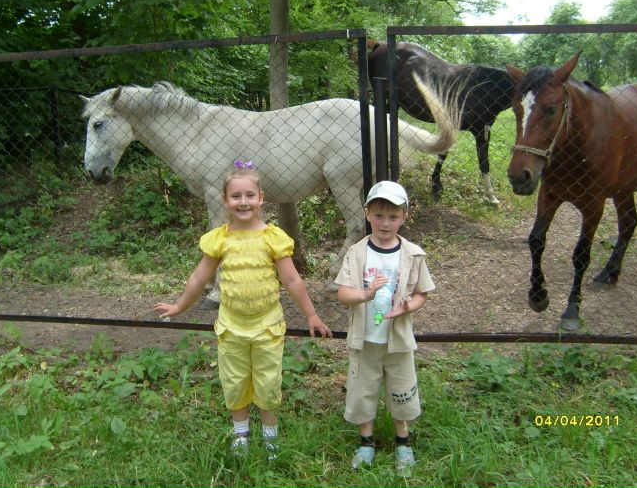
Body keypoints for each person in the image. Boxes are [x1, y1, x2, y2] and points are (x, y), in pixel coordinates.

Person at [154, 161, 332, 460]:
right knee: (235, 380)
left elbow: (291, 279)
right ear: (225, 200)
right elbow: (200, 277)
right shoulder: (220, 239)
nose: (243, 201)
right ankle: (241, 434)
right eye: (236, 196)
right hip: (232, 326)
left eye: (249, 195)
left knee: (267, 381)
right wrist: (179, 306)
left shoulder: (272, 237)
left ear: (261, 198)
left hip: (267, 325)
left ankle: (270, 435)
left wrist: (311, 314)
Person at [333, 180, 435, 476]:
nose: (385, 223)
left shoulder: (413, 254)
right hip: (365, 339)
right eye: (379, 215)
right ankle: (366, 442)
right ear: (367, 214)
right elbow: (343, 294)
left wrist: (407, 307)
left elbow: (422, 293)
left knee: (402, 388)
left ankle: (403, 441)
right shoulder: (356, 253)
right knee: (363, 389)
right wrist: (365, 294)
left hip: (399, 340)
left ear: (404, 216)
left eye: (393, 217)